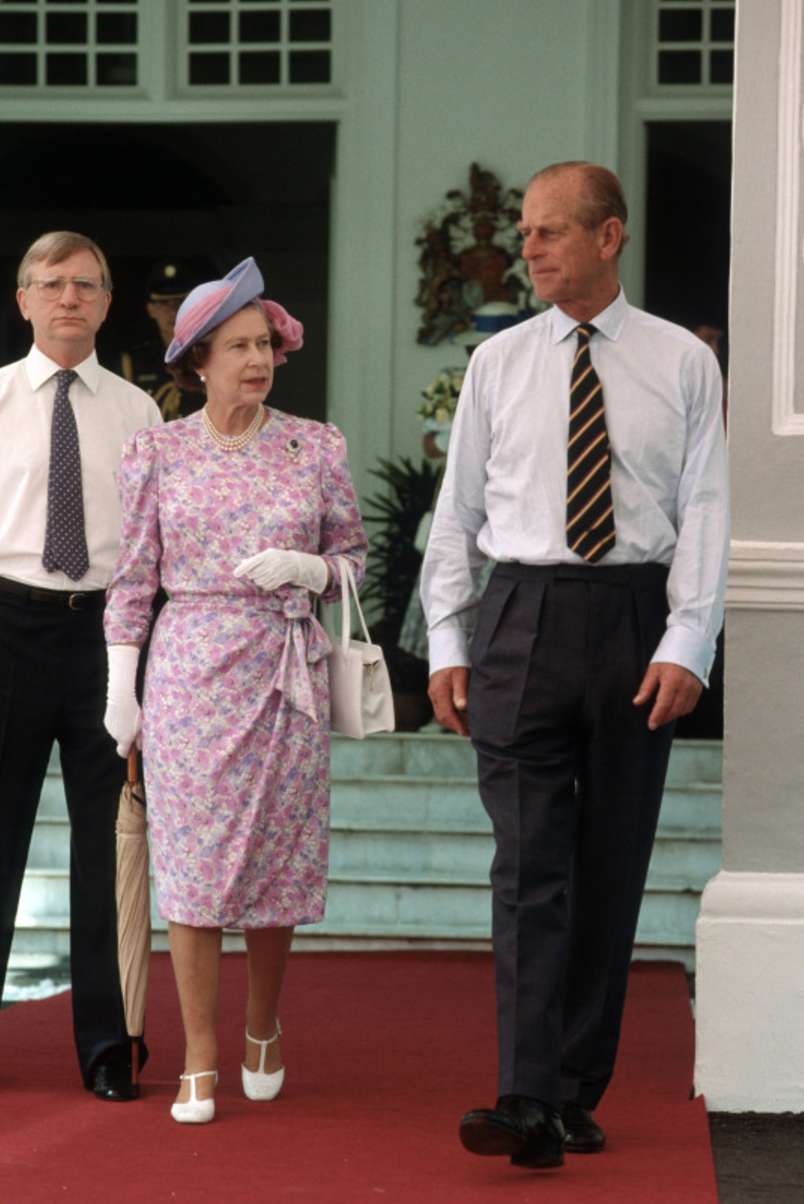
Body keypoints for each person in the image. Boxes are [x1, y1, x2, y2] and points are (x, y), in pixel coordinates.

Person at [421, 162, 729, 1170]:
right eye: (525, 233)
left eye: (550, 232)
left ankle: (571, 1090)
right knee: (528, 867)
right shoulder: (497, 362)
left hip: (637, 622)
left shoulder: (683, 362)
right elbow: (456, 514)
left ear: (610, 237)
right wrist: (450, 643)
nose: (530, 249)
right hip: (521, 615)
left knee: (608, 867)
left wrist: (688, 640)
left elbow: (707, 512)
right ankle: (522, 1092)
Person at [102, 257, 368, 1125]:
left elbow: (358, 562)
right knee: (191, 870)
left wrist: (313, 567)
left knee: (273, 862)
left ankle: (261, 1023)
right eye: (240, 346)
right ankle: (202, 1057)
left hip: (286, 671)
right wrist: (121, 687)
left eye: (267, 345)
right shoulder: (157, 452)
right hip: (187, 674)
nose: (258, 360)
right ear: (198, 360)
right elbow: (133, 580)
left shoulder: (313, 445)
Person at [0, 231, 163, 1100]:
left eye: (87, 284)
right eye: (51, 283)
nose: (69, 298)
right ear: (23, 299)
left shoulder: (140, 413)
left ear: (106, 303)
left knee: (111, 847)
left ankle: (111, 1043)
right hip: (7, 627)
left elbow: (154, 545)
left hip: (108, 636)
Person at [118, 259, 203, 421]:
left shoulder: (208, 355)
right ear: (151, 310)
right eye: (164, 303)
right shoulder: (133, 362)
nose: (172, 311)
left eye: (179, 302)